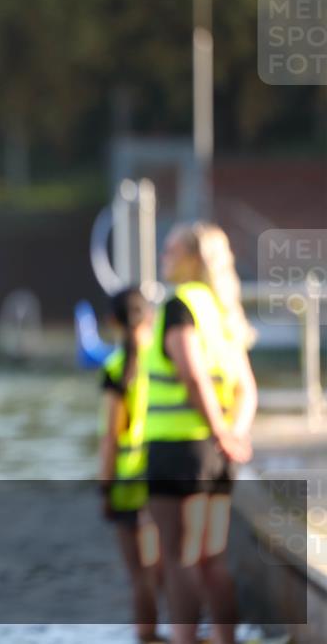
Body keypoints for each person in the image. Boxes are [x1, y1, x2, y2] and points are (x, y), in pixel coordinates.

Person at [144, 223, 256, 644]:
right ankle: (227, 639)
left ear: (194, 259)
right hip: (216, 452)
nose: (163, 258)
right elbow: (247, 387)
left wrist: (220, 432)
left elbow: (192, 376)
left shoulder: (180, 305)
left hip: (179, 451)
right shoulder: (223, 311)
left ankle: (185, 639)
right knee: (213, 560)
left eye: (171, 251)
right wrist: (233, 435)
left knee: (179, 559)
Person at [98, 287, 162, 644]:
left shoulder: (116, 368)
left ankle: (148, 636)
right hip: (166, 472)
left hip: (128, 482)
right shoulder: (165, 358)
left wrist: (104, 486)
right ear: (150, 318)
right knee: (170, 567)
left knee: (141, 575)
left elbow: (111, 435)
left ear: (112, 322)